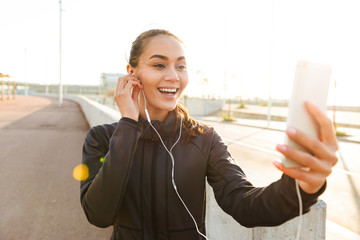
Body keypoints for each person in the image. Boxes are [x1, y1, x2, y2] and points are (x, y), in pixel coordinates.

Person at [80, 29, 338, 240]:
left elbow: (244, 204)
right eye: (159, 64)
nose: (173, 76)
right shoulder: (102, 138)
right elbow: (99, 215)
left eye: (181, 67)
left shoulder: (204, 138)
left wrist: (302, 187)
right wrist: (127, 125)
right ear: (132, 73)